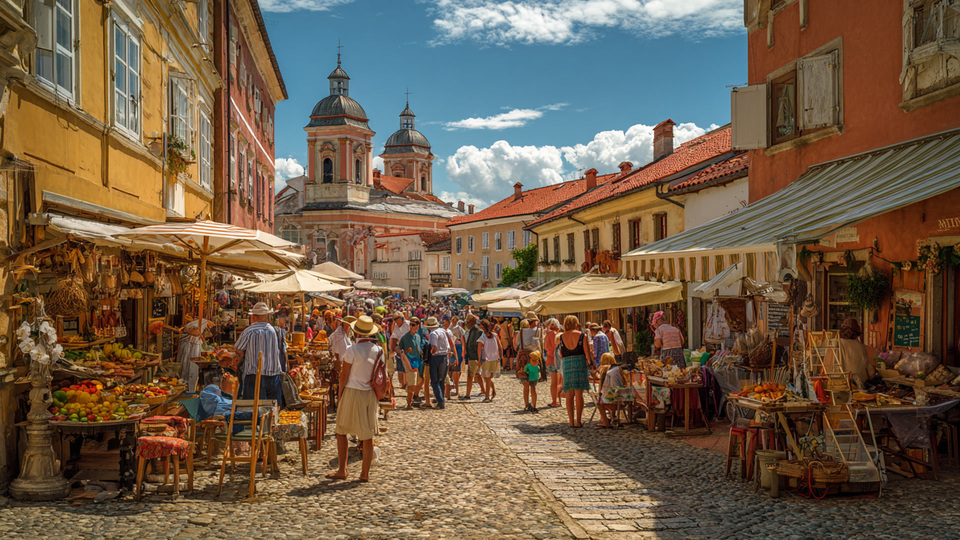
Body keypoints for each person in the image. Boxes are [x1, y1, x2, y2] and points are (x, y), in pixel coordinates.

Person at [326, 315, 381, 482]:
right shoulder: (378, 350)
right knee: (367, 435)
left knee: (341, 431)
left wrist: (340, 395)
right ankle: (364, 474)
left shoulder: (352, 350)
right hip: (370, 393)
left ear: (356, 332)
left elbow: (344, 375)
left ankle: (342, 470)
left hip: (351, 391)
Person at [234, 302, 285, 406]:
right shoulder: (273, 330)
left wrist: (245, 354)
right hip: (273, 375)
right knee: (273, 408)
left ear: (254, 317)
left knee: (254, 408)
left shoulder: (249, 331)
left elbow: (238, 349)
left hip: (254, 375)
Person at [559, 315, 593, 428]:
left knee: (569, 394)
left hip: (567, 364)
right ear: (576, 324)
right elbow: (587, 353)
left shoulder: (561, 336)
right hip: (580, 363)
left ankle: (571, 421)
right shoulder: (582, 335)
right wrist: (590, 363)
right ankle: (578, 421)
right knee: (579, 394)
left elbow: (561, 354)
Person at [837, 318, 877, 389]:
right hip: (859, 386)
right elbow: (871, 373)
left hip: (841, 385)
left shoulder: (837, 344)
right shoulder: (861, 347)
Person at [515, 313, 542, 412]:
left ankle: (526, 404)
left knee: (525, 384)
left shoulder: (521, 332)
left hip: (523, 358)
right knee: (533, 386)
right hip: (533, 358)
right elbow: (540, 344)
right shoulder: (538, 330)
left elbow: (517, 345)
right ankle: (534, 405)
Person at [426, 316, 453, 409]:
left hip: (435, 357)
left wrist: (429, 353)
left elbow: (434, 347)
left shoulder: (433, 333)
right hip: (444, 356)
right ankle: (441, 400)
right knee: (441, 380)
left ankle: (440, 401)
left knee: (434, 381)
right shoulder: (443, 331)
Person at [177, 316, 210, 393]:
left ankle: (191, 389)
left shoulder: (199, 327)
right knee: (186, 368)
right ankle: (186, 388)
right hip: (189, 351)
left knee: (192, 370)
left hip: (194, 351)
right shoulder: (190, 328)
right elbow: (196, 333)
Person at [398, 317, 425, 409]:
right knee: (412, 383)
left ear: (418, 326)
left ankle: (412, 396)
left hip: (418, 362)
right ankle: (409, 404)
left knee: (420, 381)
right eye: (410, 325)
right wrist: (407, 363)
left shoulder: (418, 336)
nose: (411, 326)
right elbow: (400, 350)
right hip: (410, 362)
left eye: (413, 325)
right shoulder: (405, 337)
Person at [460, 314, 485, 400]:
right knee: (477, 374)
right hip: (473, 356)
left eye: (468, 322)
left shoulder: (477, 331)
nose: (467, 324)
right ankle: (483, 390)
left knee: (470, 376)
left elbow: (477, 344)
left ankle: (467, 394)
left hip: (474, 356)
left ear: (472, 322)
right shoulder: (473, 330)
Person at [596, 353, 623, 428]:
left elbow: (600, 390)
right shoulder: (618, 369)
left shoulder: (604, 371)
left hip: (611, 401)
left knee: (600, 401)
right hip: (622, 400)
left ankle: (605, 421)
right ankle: (613, 416)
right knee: (610, 394)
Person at [477, 319, 501, 403]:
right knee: (489, 377)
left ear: (482, 326)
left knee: (486, 378)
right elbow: (500, 346)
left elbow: (479, 350)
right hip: (494, 359)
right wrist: (499, 356)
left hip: (486, 359)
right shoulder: (495, 335)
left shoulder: (483, 337)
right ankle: (493, 390)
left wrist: (479, 361)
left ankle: (487, 396)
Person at [544, 318, 563, 407]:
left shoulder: (547, 335)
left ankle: (555, 400)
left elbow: (546, 348)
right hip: (555, 360)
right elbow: (556, 347)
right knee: (557, 382)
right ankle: (556, 400)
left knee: (554, 382)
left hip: (549, 359)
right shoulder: (554, 334)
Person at [390, 312, 411, 392]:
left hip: (409, 347)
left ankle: (408, 383)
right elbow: (394, 336)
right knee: (401, 365)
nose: (395, 321)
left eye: (396, 319)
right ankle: (403, 383)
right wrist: (392, 348)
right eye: (394, 320)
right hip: (400, 346)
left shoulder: (408, 324)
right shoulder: (396, 326)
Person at [449, 316, 465, 398]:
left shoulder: (459, 328)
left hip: (458, 348)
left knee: (456, 368)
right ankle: (451, 388)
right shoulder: (449, 328)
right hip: (452, 348)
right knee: (451, 369)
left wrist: (463, 350)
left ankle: (455, 388)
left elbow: (463, 338)